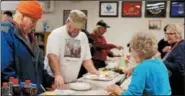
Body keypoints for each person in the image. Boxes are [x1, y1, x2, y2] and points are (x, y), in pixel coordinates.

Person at [1, 0, 54, 94]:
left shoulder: (31, 37)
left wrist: (51, 81)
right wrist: (26, 91)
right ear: (21, 17)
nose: (34, 25)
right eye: (33, 21)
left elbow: (39, 66)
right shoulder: (5, 32)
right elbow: (6, 73)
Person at [44, 10, 98, 89]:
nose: (75, 31)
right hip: (54, 79)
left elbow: (86, 60)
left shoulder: (83, 37)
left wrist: (95, 73)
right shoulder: (56, 34)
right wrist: (58, 75)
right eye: (73, 27)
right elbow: (52, 57)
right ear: (68, 21)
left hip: (72, 81)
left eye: (78, 28)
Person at [106, 32, 171, 95]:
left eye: (131, 49)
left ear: (136, 51)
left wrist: (115, 89)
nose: (131, 53)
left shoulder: (141, 68)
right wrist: (134, 68)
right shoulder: (159, 62)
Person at [163, 24, 184, 95]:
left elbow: (179, 67)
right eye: (166, 34)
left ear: (178, 34)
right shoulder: (175, 46)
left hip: (178, 87)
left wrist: (162, 62)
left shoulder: (181, 46)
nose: (167, 36)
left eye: (170, 34)